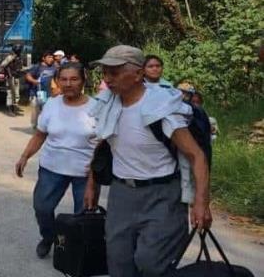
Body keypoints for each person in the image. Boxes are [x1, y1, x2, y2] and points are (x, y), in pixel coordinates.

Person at [84, 45, 212, 277]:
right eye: (104, 73)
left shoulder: (161, 107)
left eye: (114, 72)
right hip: (122, 194)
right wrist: (92, 184)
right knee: (118, 263)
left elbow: (197, 155)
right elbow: (103, 145)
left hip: (162, 195)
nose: (107, 79)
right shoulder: (108, 105)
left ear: (139, 73)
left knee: (151, 263)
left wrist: (201, 202)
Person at [15, 63, 96, 258]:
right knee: (42, 207)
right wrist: (25, 156)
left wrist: (93, 180)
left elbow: (103, 147)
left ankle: (75, 251)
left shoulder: (97, 107)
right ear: (57, 81)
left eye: (74, 79)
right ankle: (48, 237)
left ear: (83, 81)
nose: (68, 84)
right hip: (52, 168)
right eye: (64, 79)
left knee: (83, 216)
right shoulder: (52, 104)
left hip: (84, 172)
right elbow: (40, 135)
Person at [25, 51, 58, 129]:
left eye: (52, 57)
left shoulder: (54, 67)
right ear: (43, 58)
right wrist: (34, 81)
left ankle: (45, 127)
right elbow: (28, 75)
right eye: (49, 57)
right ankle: (34, 125)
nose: (51, 59)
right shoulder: (37, 67)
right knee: (36, 111)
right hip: (37, 93)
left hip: (49, 93)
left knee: (47, 110)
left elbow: (57, 78)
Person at [0, 44, 25, 117]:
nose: (20, 51)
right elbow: (2, 65)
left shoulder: (19, 58)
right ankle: (10, 110)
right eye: (20, 49)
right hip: (10, 78)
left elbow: (20, 67)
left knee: (16, 94)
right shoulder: (10, 57)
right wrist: (11, 59)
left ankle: (14, 109)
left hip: (16, 77)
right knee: (10, 94)